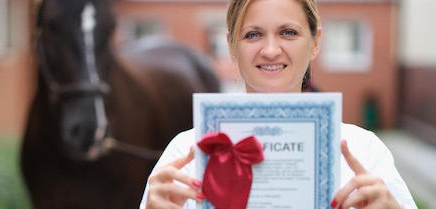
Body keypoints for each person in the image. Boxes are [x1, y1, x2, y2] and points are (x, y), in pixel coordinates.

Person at [139, 0, 418, 208]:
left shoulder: (364, 152)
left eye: (288, 32)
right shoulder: (186, 155)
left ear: (316, 41)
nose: (271, 50)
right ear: (231, 45)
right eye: (252, 34)